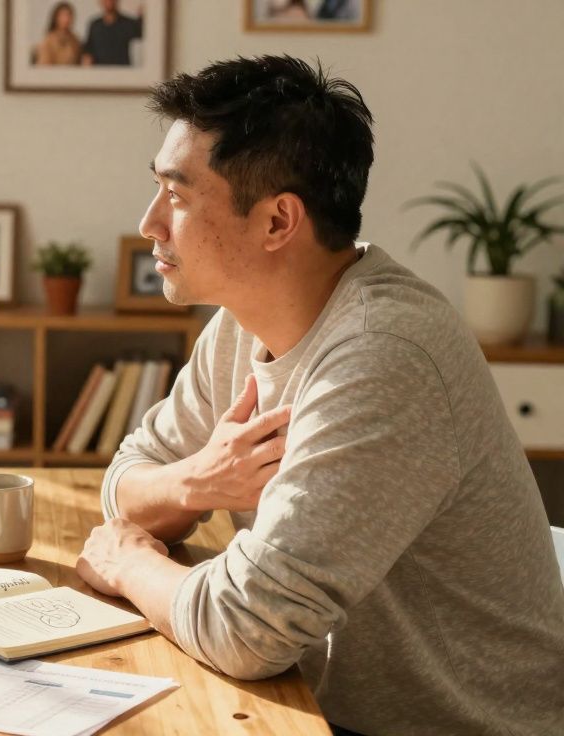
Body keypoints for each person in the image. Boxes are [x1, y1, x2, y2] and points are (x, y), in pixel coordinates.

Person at [75, 55, 564, 735]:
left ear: (278, 222)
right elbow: (127, 480)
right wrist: (194, 482)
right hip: (314, 705)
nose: (149, 222)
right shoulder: (240, 325)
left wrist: (129, 562)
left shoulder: (385, 356)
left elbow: (246, 628)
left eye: (178, 195)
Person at [81, 0, 143, 66]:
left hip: (122, 71)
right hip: (99, 71)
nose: (108, 2)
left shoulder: (128, 23)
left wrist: (143, 17)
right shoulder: (95, 24)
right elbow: (88, 48)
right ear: (100, 2)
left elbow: (143, 33)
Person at [35, 2, 81, 66]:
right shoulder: (48, 40)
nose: (66, 19)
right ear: (56, 18)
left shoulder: (75, 40)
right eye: (63, 15)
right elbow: (44, 64)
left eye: (69, 15)